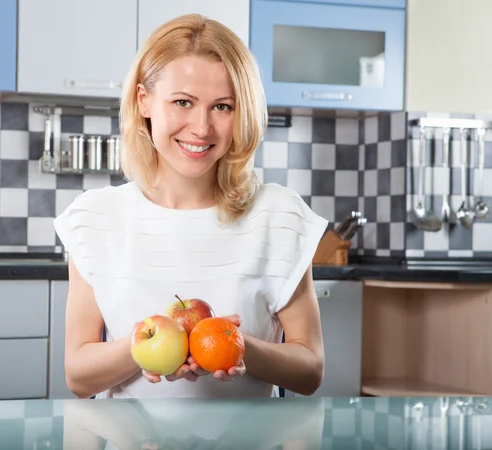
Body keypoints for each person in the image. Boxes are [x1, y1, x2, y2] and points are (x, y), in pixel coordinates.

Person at [54, 13, 328, 400]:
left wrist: (238, 346)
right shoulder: (96, 219)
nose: (201, 127)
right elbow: (78, 377)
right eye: (183, 102)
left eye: (223, 107)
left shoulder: (279, 217)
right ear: (144, 101)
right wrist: (143, 348)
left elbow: (310, 370)